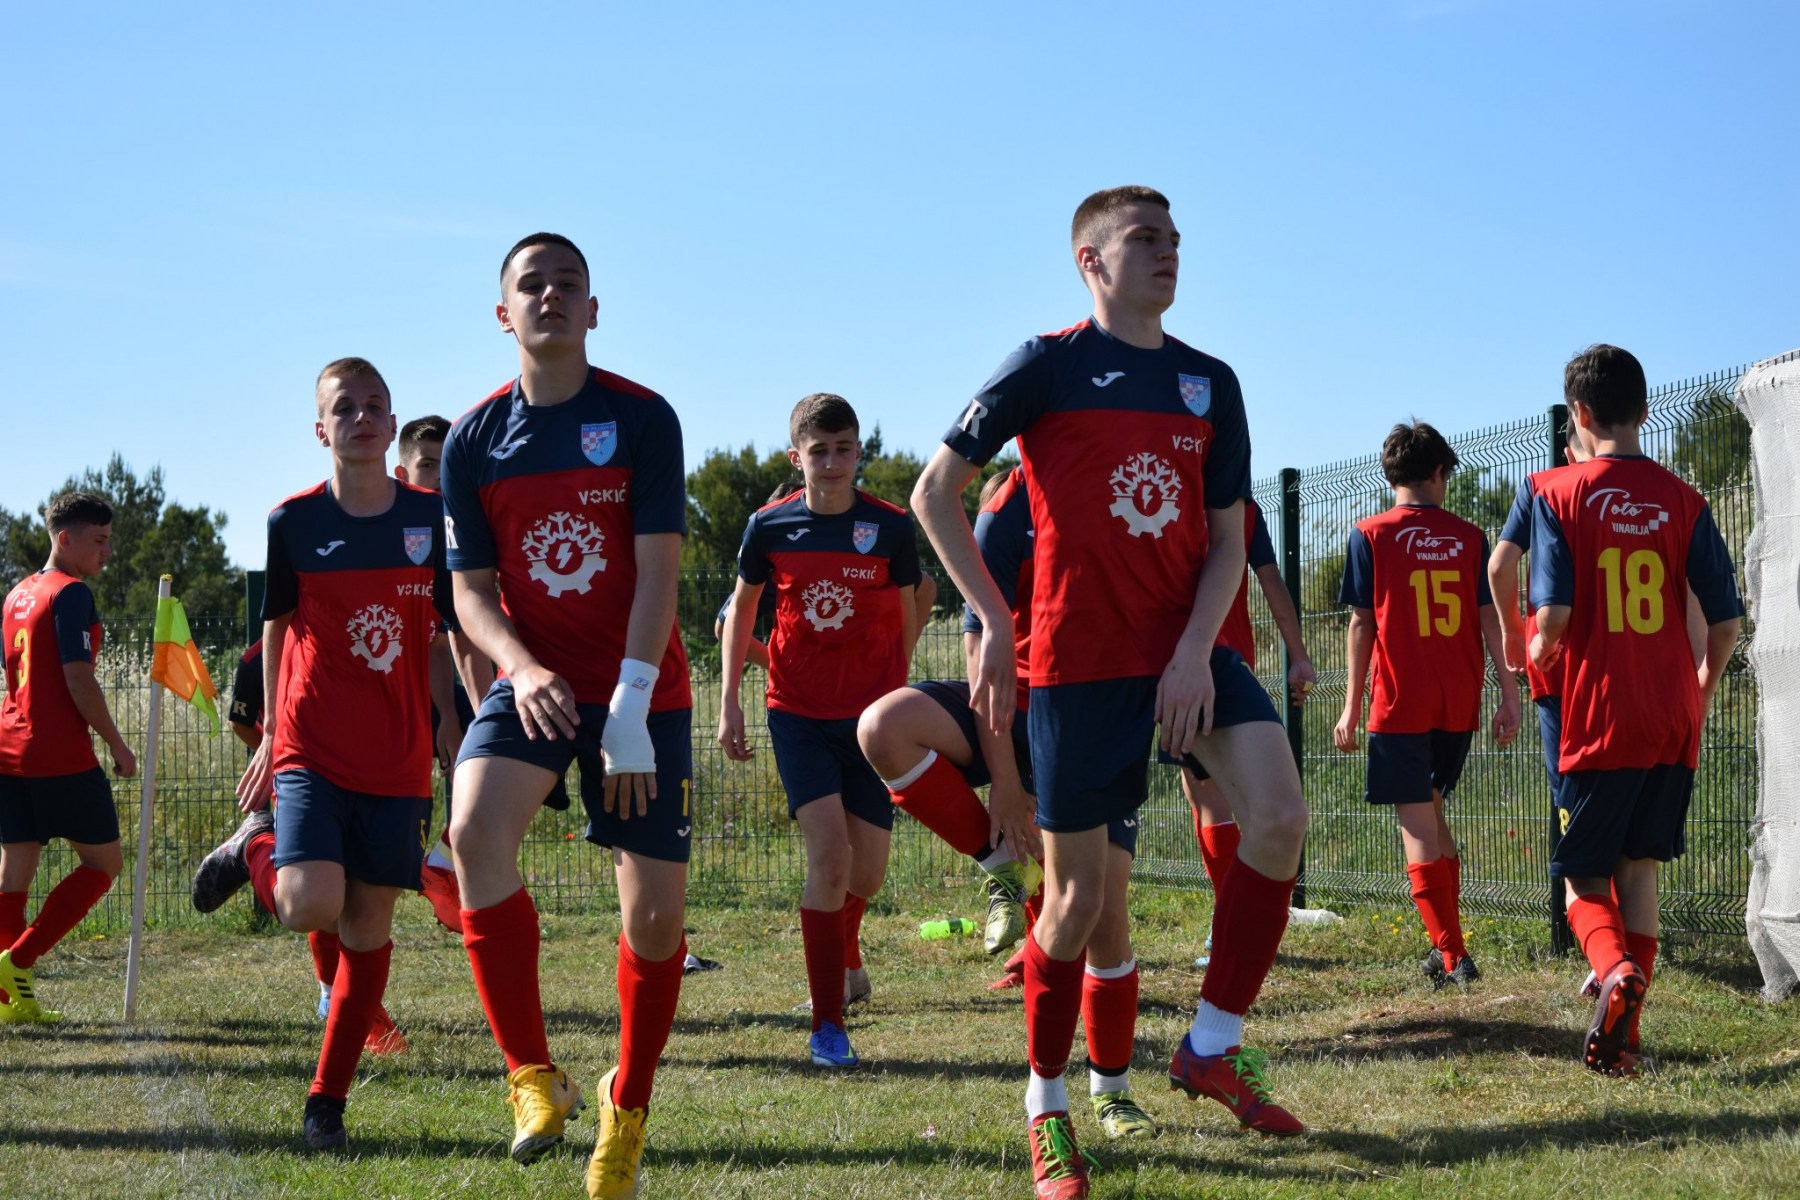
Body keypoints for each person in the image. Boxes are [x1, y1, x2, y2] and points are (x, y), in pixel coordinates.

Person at [912, 185, 1310, 1200]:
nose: (1168, 252)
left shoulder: (1210, 383)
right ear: (1090, 261)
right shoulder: (1044, 365)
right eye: (1144, 239)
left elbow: (1228, 541)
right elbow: (933, 493)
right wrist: (993, 623)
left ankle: (1211, 1045)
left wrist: (1194, 651)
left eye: (1174, 239)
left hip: (1183, 653)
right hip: (1078, 664)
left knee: (1279, 816)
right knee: (1080, 901)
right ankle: (1046, 1108)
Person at [440, 232, 692, 1199]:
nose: (550, 296)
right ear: (503, 313)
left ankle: (627, 1106)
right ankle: (531, 1077)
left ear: (594, 310)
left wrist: (630, 698)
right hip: (536, 682)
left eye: (568, 284)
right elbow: (470, 594)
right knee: (471, 833)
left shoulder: (642, 418)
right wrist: (521, 667)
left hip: (641, 688)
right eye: (531, 284)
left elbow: (660, 572)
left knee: (656, 921)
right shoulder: (472, 440)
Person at [227, 357, 456, 1149]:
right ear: (320, 429)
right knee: (307, 905)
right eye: (345, 408)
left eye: (374, 406)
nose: (361, 418)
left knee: (367, 926)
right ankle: (255, 846)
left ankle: (326, 1103)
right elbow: (277, 627)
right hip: (311, 745)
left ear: (392, 426)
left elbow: (448, 631)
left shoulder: (433, 518)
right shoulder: (292, 521)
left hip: (398, 754)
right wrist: (270, 732)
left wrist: (460, 725)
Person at [1528, 344, 1742, 1076]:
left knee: (1582, 877)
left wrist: (1537, 651)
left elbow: (1553, 614)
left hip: (1602, 712)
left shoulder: (1558, 492)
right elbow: (1726, 622)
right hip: (1672, 712)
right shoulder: (1685, 499)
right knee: (1640, 867)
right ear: (1645, 410)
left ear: (1579, 414)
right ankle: (1628, 1041)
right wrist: (1700, 689)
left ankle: (1613, 970)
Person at [719, 393, 920, 1070]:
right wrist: (729, 701)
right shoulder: (768, 526)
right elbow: (740, 613)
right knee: (829, 857)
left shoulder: (890, 527)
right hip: (798, 714)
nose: (832, 462)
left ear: (859, 452)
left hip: (872, 719)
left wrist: (896, 694)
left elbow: (909, 611)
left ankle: (846, 954)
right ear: (795, 457)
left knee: (868, 872)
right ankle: (826, 1026)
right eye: (819, 451)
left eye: (843, 449)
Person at [1333, 421, 1520, 988]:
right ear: (1439, 473)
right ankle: (1445, 946)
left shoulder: (1369, 535)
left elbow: (1362, 624)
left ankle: (1453, 953)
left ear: (1391, 475)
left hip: (1399, 705)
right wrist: (1509, 693)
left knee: (1416, 825)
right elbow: (1490, 619)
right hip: (1457, 702)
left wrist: (1350, 706)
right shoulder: (1469, 537)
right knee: (1434, 815)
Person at [859, 468, 1040, 961]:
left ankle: (1041, 954)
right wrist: (1004, 780)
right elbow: (979, 659)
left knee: (1071, 878)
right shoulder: (1002, 520)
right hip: (1008, 706)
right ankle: (1002, 867)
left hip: (1076, 713)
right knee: (883, 726)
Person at [0, 492, 136, 1023]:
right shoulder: (71, 593)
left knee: (14, 874)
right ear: (65, 539)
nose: (107, 552)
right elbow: (78, 680)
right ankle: (18, 960)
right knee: (104, 864)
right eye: (99, 540)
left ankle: (8, 1002)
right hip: (57, 754)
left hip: (9, 750)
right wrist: (116, 743)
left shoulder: (16, 594)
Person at [1169, 498, 1315, 967]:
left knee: (1210, 798)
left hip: (1185, 664)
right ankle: (1241, 923)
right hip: (1234, 665)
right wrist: (1298, 654)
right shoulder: (1242, 508)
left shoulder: (1169, 495)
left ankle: (1234, 928)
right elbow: (1272, 581)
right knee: (1229, 799)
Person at [394, 414, 481, 934]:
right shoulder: (386, 530)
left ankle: (447, 865)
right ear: (402, 474)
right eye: (427, 466)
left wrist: (452, 711)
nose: (438, 479)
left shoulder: (458, 536)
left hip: (437, 690)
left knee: (492, 776)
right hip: (382, 699)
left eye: (445, 467)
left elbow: (446, 634)